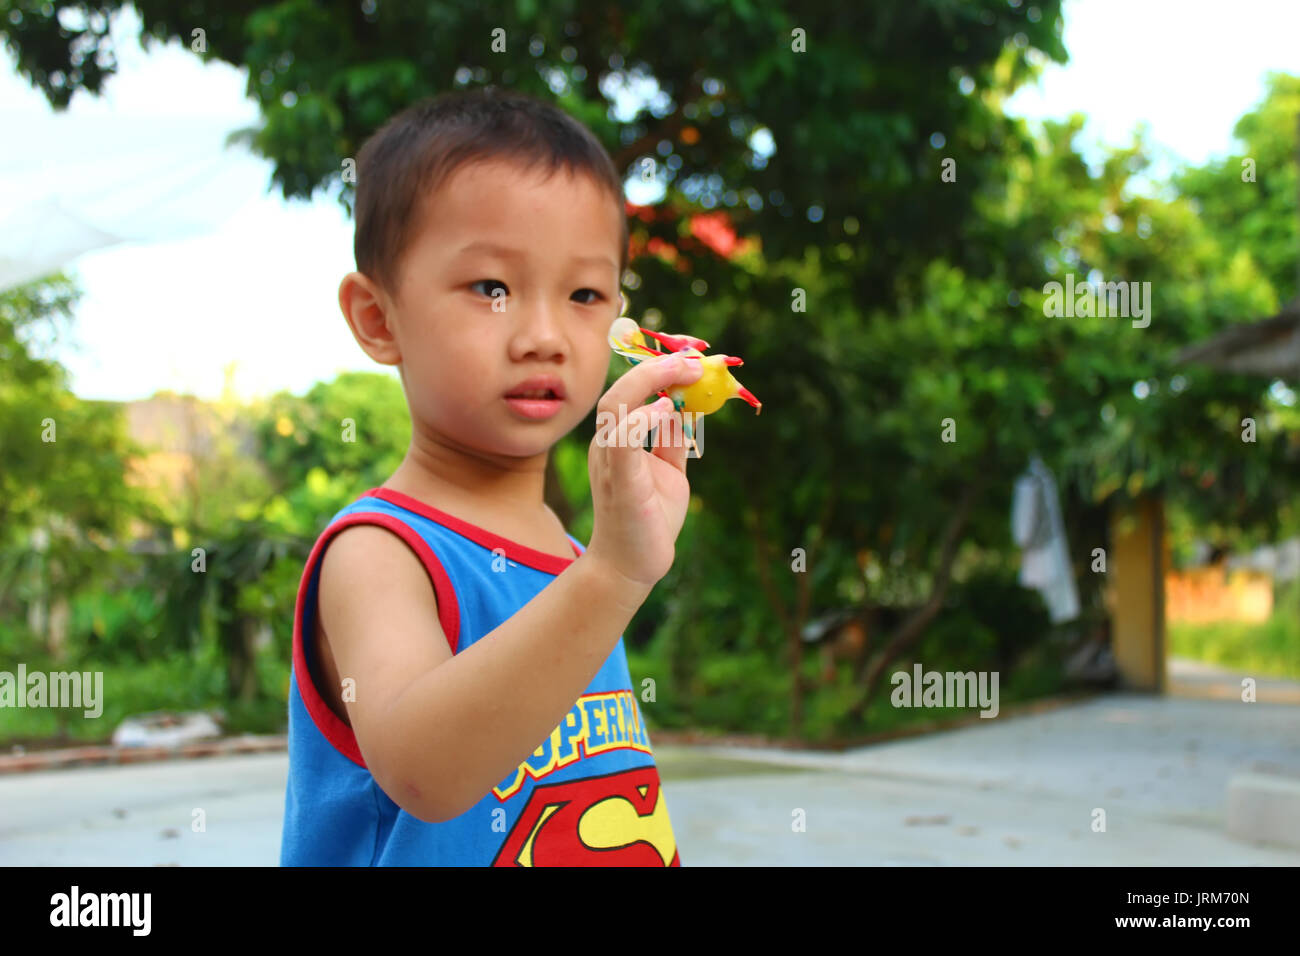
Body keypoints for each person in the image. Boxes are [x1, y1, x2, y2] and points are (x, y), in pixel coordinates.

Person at [279, 88, 704, 866]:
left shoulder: (574, 556)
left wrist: (612, 563)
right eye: (491, 289)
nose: (543, 336)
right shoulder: (380, 553)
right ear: (378, 318)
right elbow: (428, 774)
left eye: (583, 295)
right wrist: (616, 574)